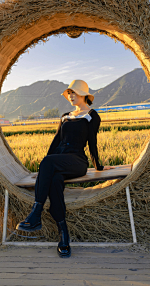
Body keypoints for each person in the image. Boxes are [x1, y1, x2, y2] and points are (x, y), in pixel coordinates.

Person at [16, 80, 114, 257]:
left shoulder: (92, 115)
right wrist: (45, 165)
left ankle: (36, 213)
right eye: (69, 93)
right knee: (54, 182)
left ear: (84, 95)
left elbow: (92, 142)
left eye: (74, 93)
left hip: (77, 161)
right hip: (59, 161)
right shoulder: (65, 116)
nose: (71, 96)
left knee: (48, 164)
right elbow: (56, 142)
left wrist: (98, 165)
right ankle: (64, 235)